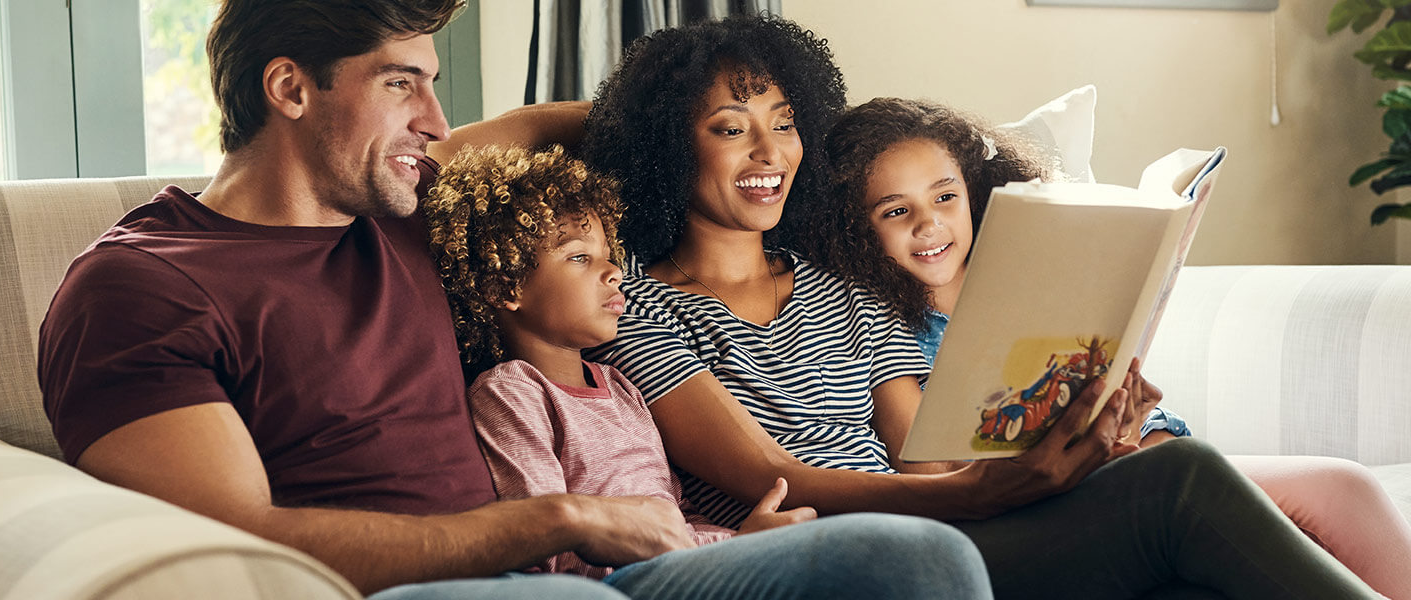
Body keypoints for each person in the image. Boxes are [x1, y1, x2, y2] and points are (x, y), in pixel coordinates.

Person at [33, 2, 986, 598]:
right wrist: (555, 522)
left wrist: (729, 135)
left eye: (434, 85)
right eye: (402, 84)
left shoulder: (413, 207)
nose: (438, 122)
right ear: (289, 87)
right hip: (463, 581)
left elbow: (558, 127)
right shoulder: (141, 287)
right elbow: (235, 543)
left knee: (915, 560)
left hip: (620, 563)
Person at [578, 14, 1382, 599]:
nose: (769, 153)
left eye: (785, 124)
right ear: (667, 147)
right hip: (852, 557)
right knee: (1183, 486)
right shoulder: (640, 307)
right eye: (729, 128)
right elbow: (772, 477)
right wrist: (975, 495)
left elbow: (921, 451)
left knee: (1178, 489)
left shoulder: (840, 284)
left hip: (946, 524)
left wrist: (1078, 439)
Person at [815, 96, 1411, 599]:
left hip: (1127, 452)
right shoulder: (880, 322)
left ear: (972, 190)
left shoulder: (1031, 270)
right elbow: (926, 465)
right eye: (897, 211)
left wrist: (1126, 403)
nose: (929, 224)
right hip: (1042, 492)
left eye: (944, 197)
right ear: (855, 230)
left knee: (1343, 484)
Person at [418, 143, 993, 596]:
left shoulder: (618, 388)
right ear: (503, 286)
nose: (613, 273)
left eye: (610, 256)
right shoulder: (513, 392)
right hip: (623, 579)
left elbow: (677, 511)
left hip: (694, 557)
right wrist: (734, 550)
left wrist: (739, 541)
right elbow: (542, 542)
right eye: (580, 258)